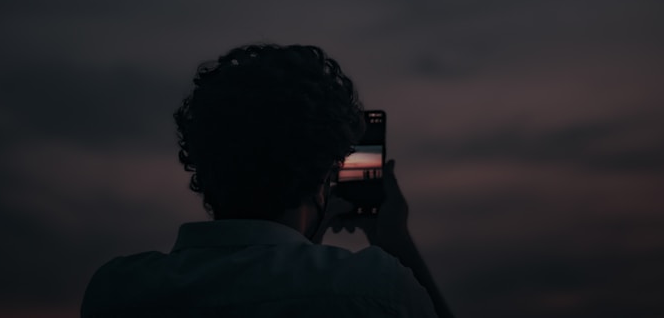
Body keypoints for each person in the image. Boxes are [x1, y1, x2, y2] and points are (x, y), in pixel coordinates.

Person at [81, 44, 454, 318]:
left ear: (203, 159)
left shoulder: (115, 292)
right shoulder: (378, 291)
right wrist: (395, 240)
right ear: (324, 174)